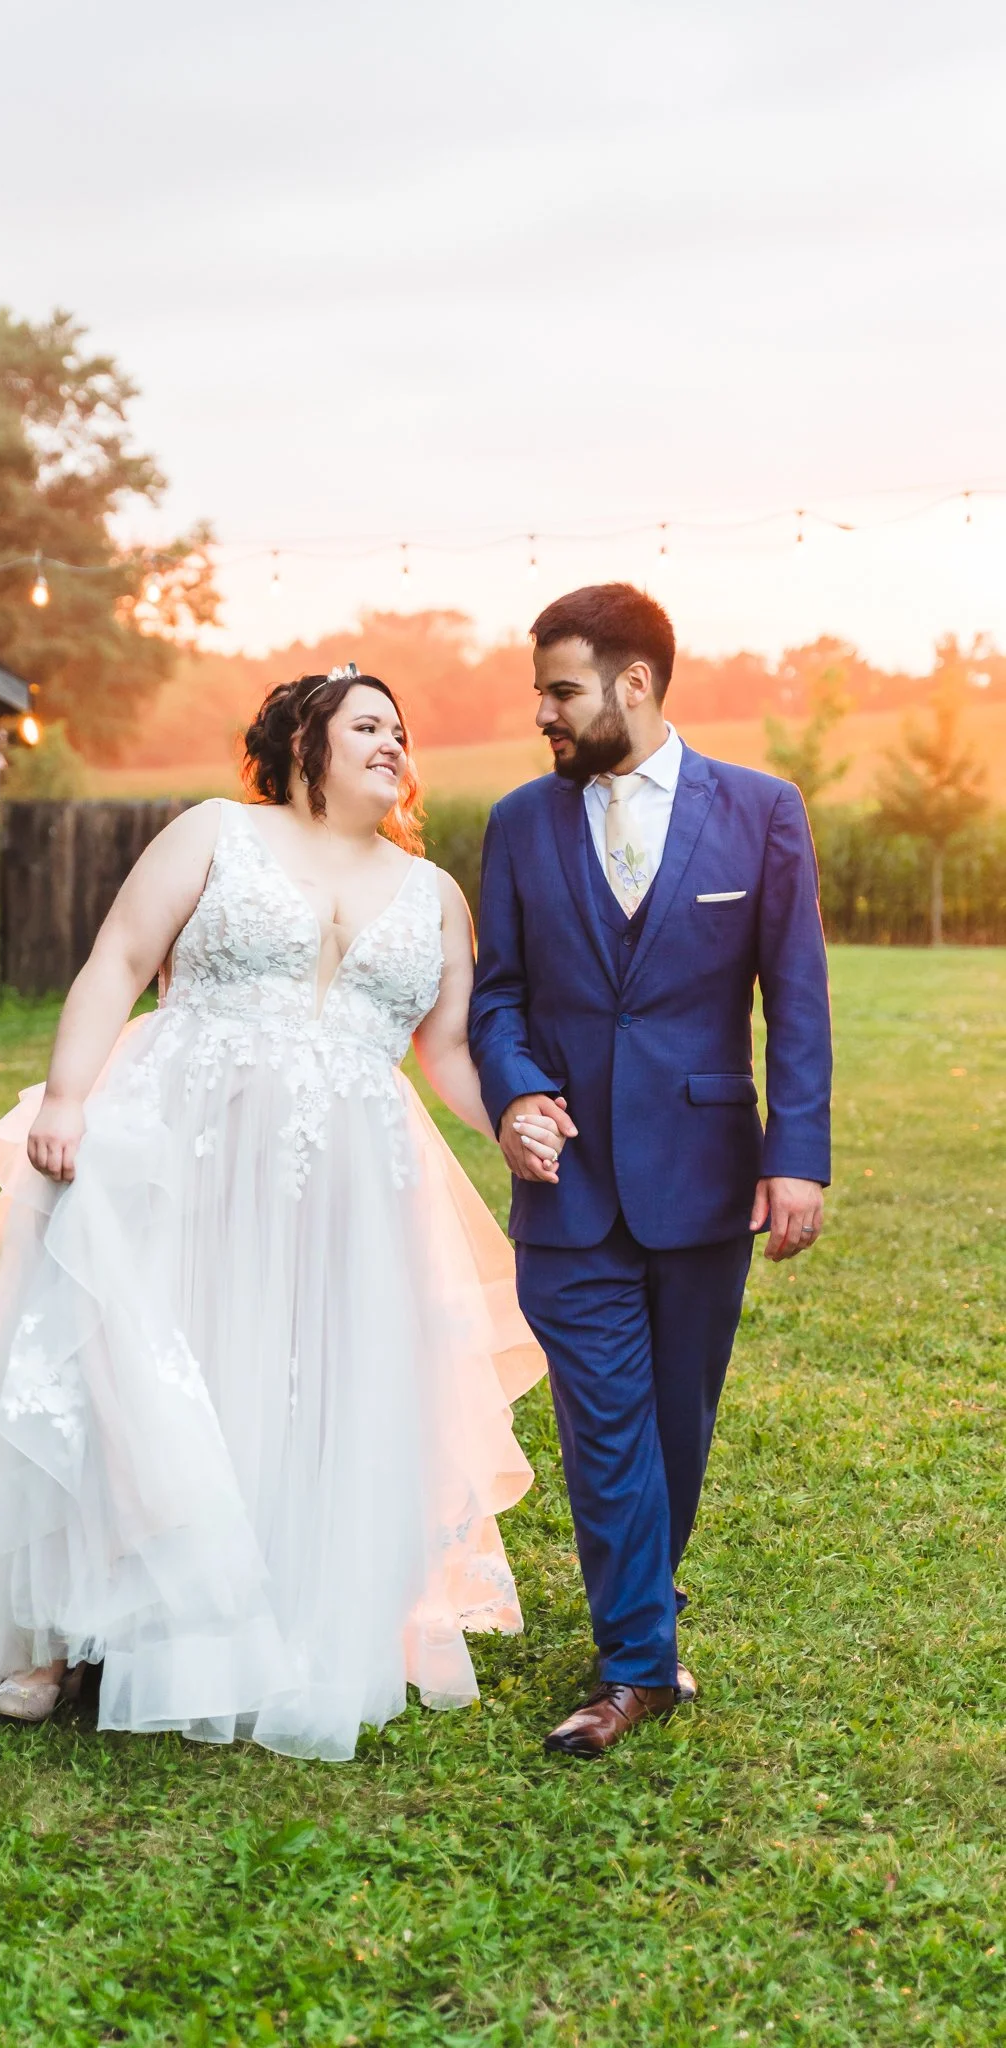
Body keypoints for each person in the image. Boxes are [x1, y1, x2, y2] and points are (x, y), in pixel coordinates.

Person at [0, 665, 571, 1762]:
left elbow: (447, 1051)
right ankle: (66, 1630)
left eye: (399, 731)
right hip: (186, 1144)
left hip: (350, 1187)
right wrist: (71, 1094)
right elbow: (118, 961)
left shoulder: (434, 894)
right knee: (132, 1370)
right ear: (304, 740)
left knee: (297, 1381)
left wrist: (509, 1119)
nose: (391, 741)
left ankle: (257, 1619)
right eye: (366, 723)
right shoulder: (216, 832)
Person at [470, 584, 832, 1759]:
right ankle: (635, 1665)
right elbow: (500, 994)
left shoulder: (762, 811)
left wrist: (798, 1156)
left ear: (634, 683)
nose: (543, 714)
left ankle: (642, 1611)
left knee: (676, 1420)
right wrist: (519, 1089)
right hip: (565, 1184)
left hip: (705, 1169)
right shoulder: (520, 821)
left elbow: (797, 997)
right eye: (539, 692)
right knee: (606, 1423)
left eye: (561, 689)